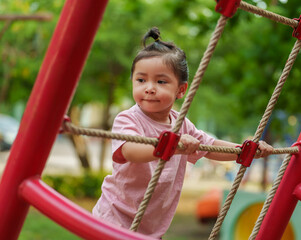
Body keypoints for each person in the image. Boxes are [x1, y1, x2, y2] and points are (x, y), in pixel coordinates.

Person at [92, 27, 273, 239]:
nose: (149, 88)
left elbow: (211, 147)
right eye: (141, 80)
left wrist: (244, 150)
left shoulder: (181, 124)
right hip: (114, 216)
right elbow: (130, 150)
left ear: (180, 90)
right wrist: (172, 146)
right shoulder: (128, 118)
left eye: (161, 81)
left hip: (151, 228)